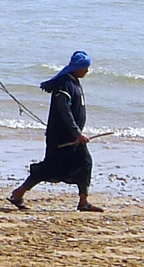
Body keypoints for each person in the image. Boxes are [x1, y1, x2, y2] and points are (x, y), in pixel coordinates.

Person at [9, 51, 101, 212]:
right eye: (85, 67)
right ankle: (18, 193)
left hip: (73, 138)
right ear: (78, 67)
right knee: (49, 168)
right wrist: (76, 132)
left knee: (85, 163)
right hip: (62, 137)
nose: (87, 70)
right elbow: (63, 109)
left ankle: (83, 202)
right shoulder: (65, 84)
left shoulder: (74, 82)